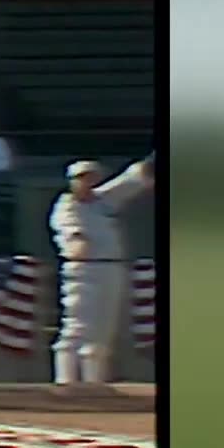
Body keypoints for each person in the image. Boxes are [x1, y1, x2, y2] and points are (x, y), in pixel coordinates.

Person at [49, 153, 155, 391]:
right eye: (82, 178)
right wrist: (76, 241)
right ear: (72, 181)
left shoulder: (103, 199)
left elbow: (133, 178)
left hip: (111, 267)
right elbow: (74, 238)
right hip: (84, 270)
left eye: (92, 177)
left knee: (103, 329)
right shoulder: (67, 205)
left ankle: (94, 384)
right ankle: (65, 382)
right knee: (77, 326)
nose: (88, 182)